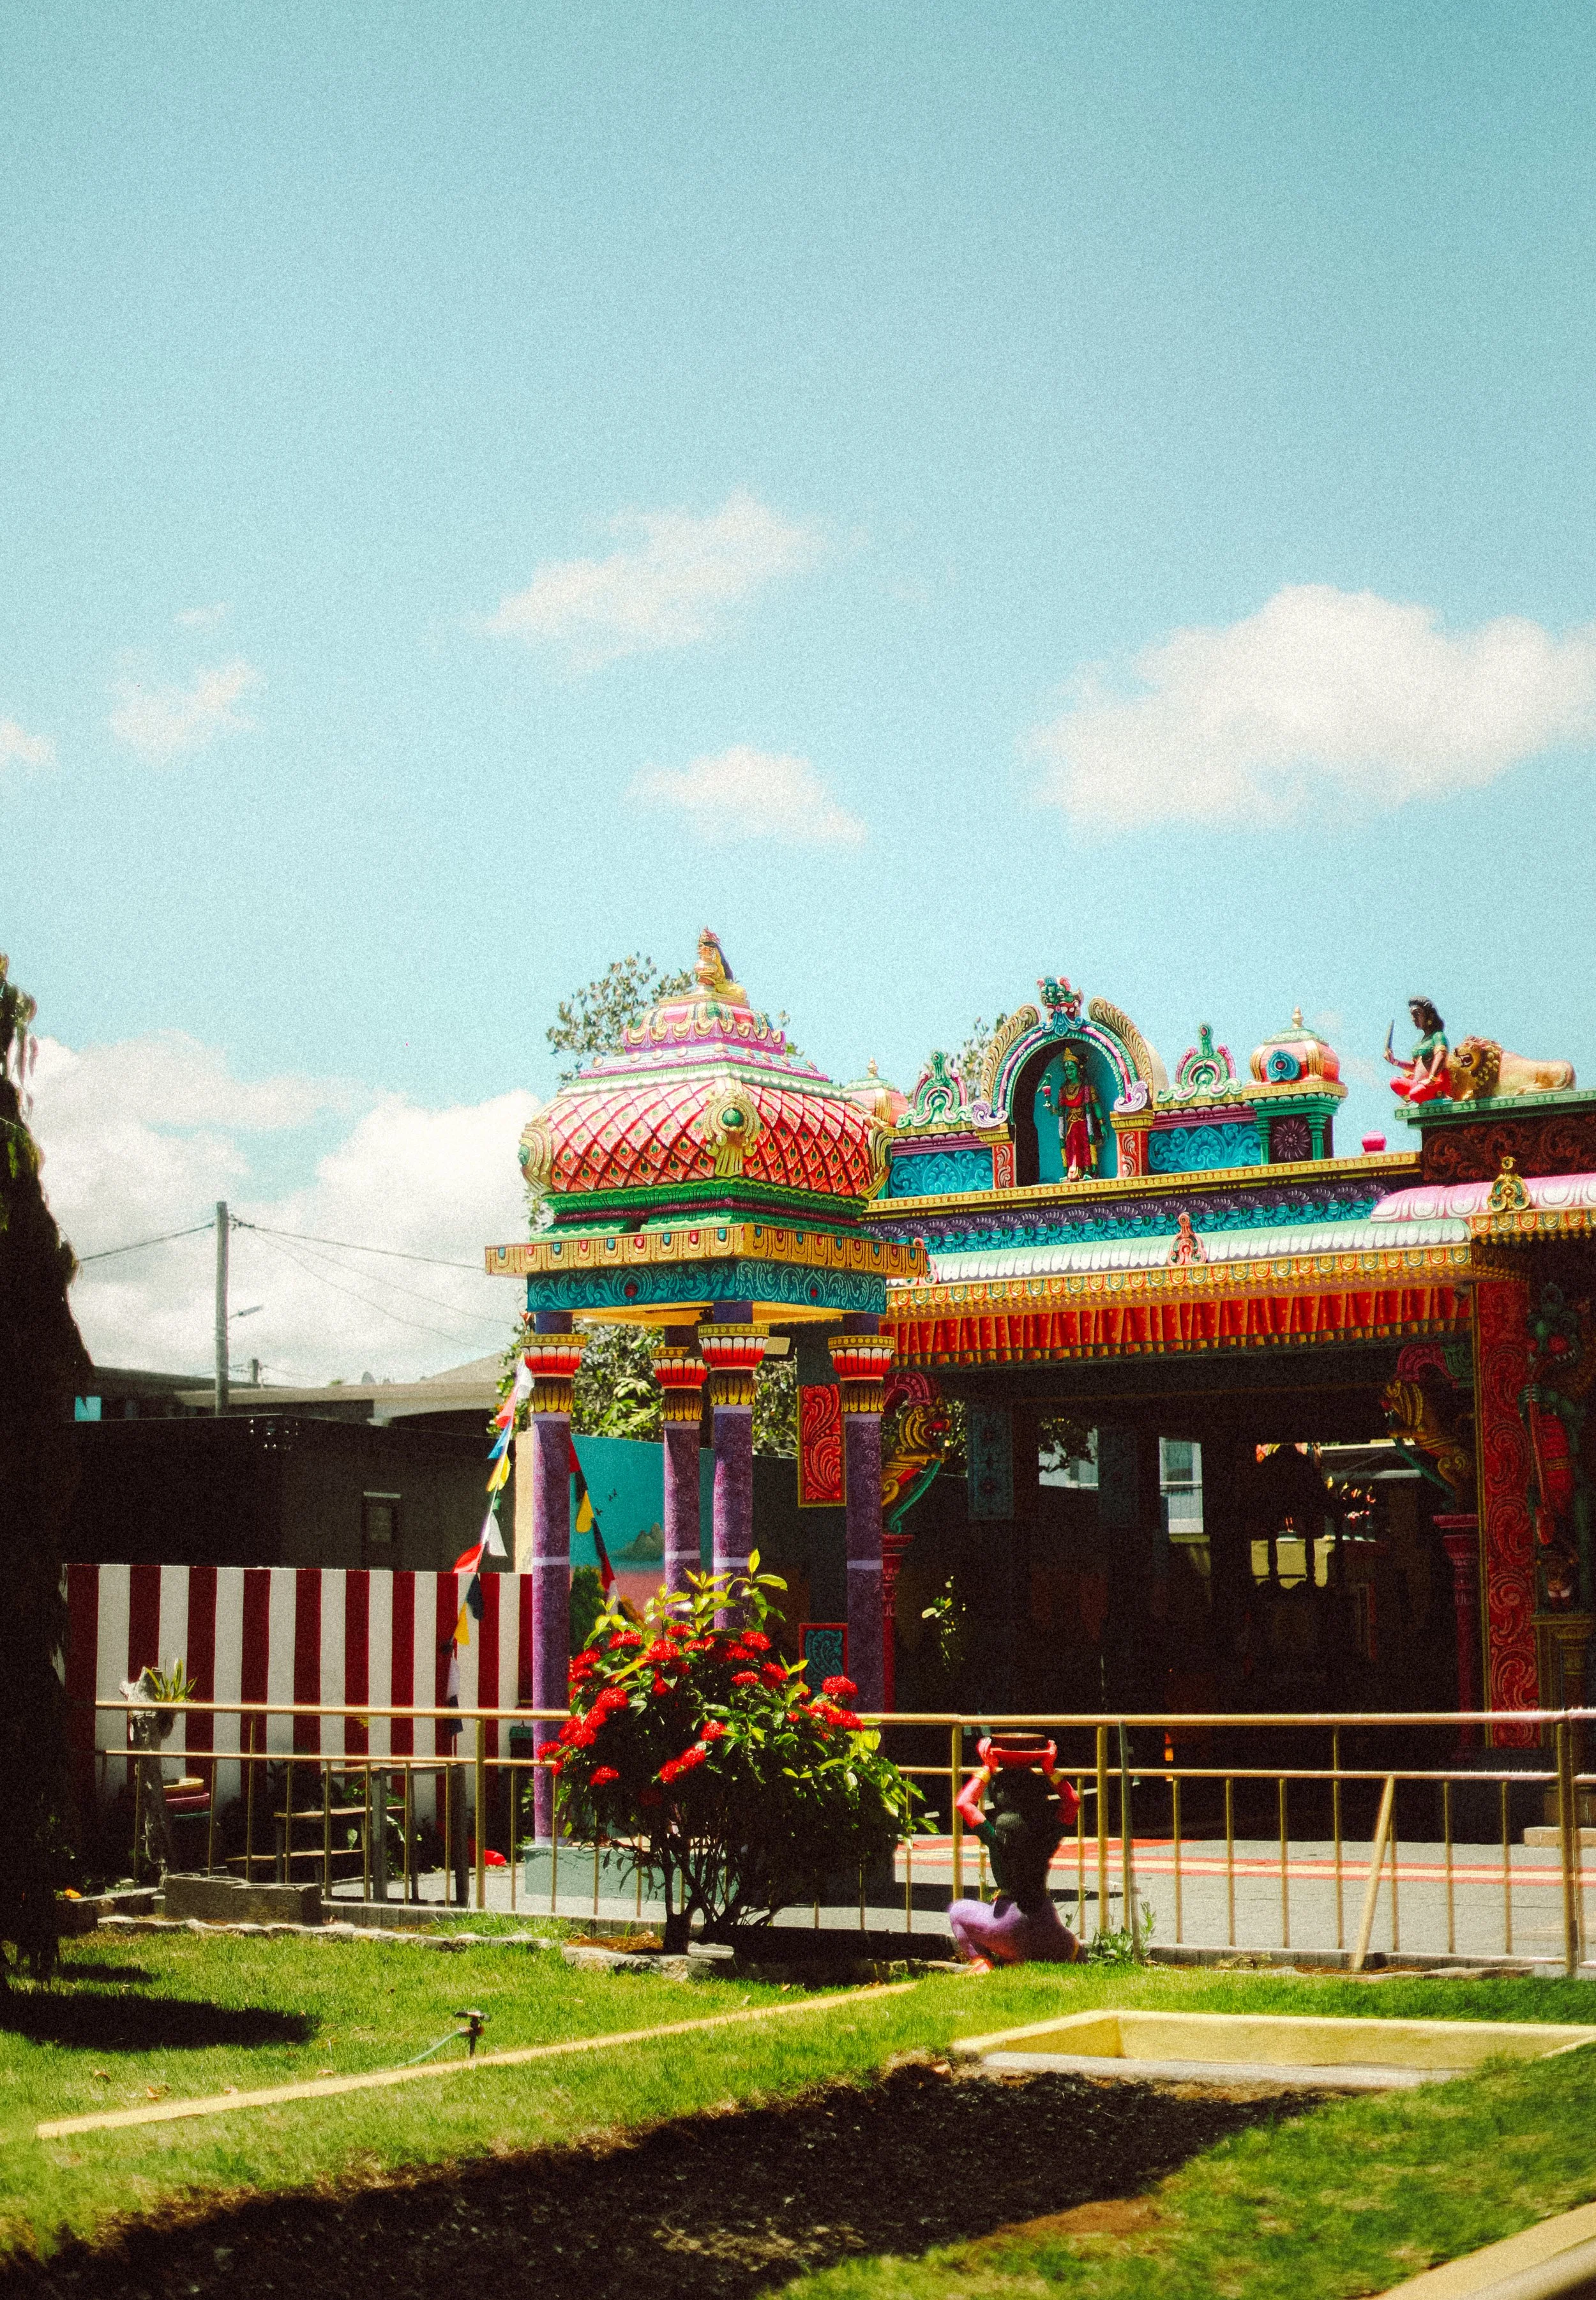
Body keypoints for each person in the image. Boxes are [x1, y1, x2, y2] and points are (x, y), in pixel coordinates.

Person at [947, 1735, 1083, 1969]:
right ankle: (1033, 1958)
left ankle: (982, 1963)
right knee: (1070, 1944)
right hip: (1046, 1928)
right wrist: (1050, 1770)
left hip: (1009, 1928)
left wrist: (987, 1770)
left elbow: (964, 1803)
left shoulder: (996, 1834)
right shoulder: (1048, 1831)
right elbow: (1072, 1801)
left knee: (957, 1911)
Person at [1041, 1049, 1099, 1179]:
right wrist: (1051, 1108)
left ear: (1078, 1069)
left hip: (1084, 1122)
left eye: (1072, 1069)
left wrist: (1102, 1123)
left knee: (1085, 1145)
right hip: (1070, 1124)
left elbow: (1095, 1106)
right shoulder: (1063, 1089)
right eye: (1067, 1070)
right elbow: (1060, 1111)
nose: (1069, 1072)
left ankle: (1088, 1171)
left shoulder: (1086, 1088)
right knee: (1071, 1147)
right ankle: (1071, 1173)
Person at [1387, 999, 1450, 1104]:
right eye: (1412, 1015)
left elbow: (1441, 1056)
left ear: (1429, 1016)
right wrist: (1395, 1061)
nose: (1413, 1019)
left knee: (1415, 1094)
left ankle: (1433, 1097)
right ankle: (1414, 1100)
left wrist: (1432, 1079)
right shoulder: (1423, 1041)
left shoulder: (1438, 1036)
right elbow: (1415, 1067)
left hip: (1435, 1084)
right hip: (1419, 1084)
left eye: (1417, 1014)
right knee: (1395, 1082)